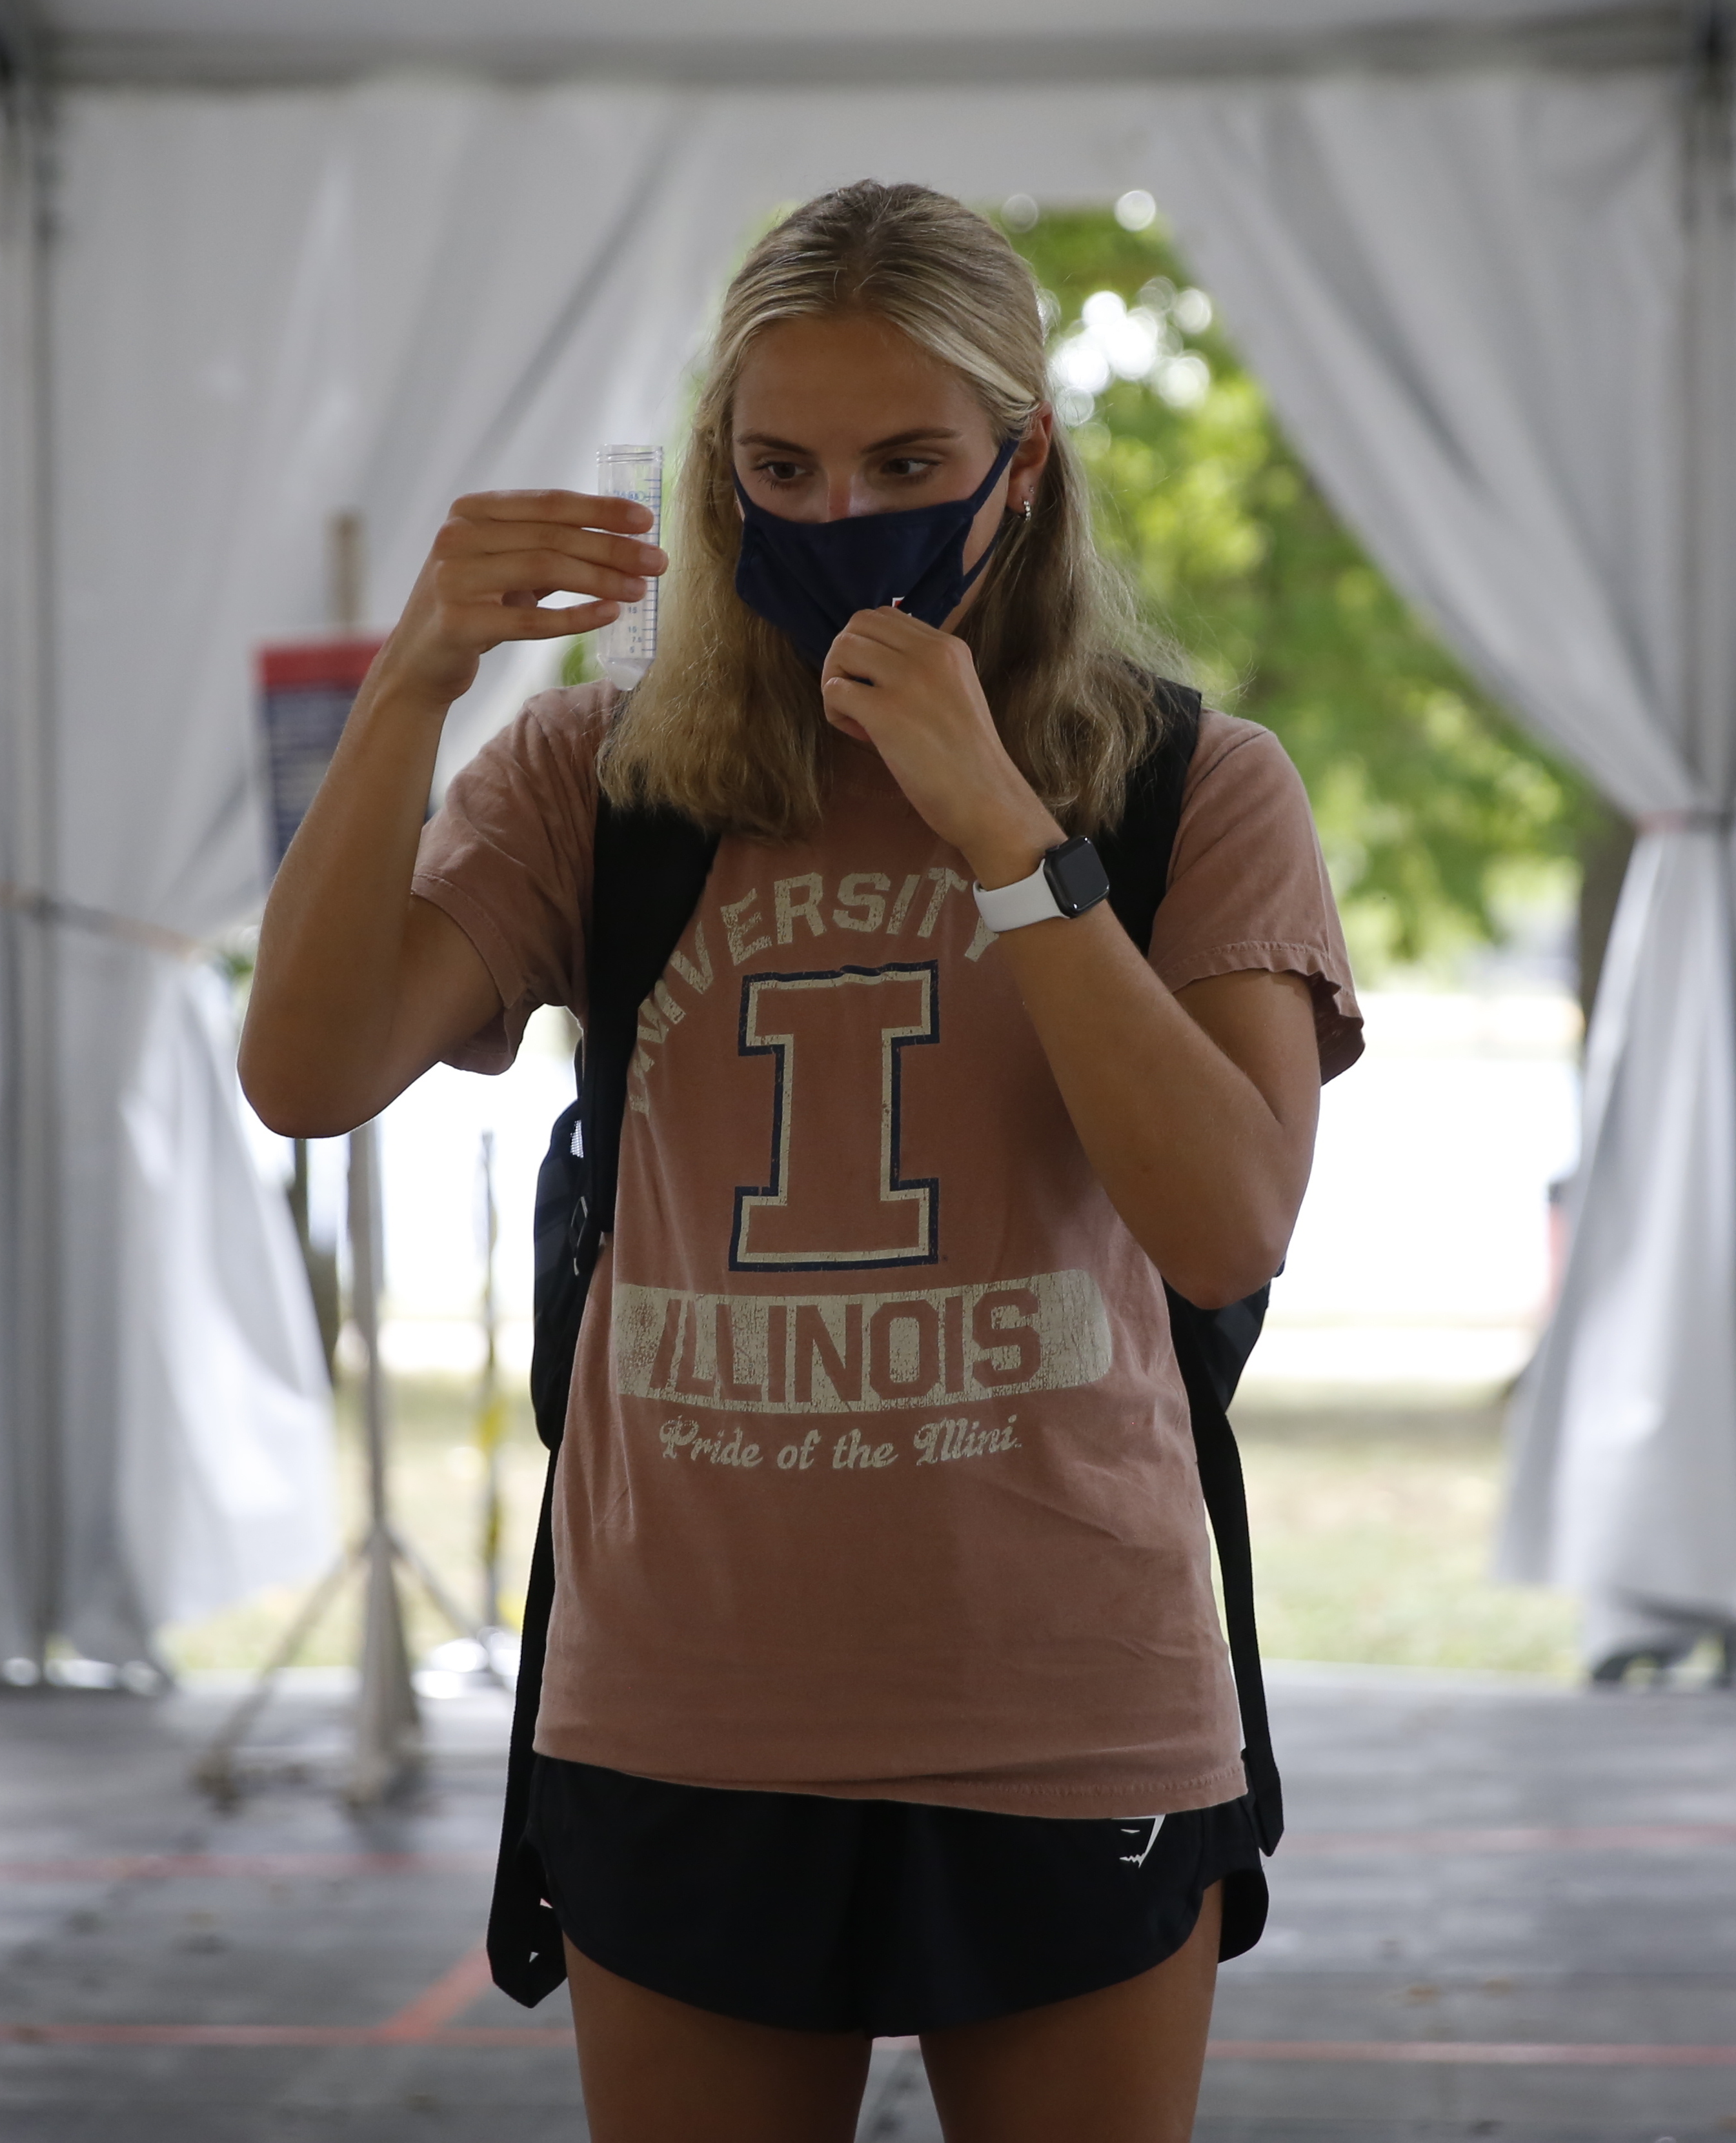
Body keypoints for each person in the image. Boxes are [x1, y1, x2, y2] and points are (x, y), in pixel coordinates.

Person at [240, 181, 1360, 2141]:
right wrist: (416, 674)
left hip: (1064, 1695)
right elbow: (306, 1069)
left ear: (1023, 465)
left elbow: (1223, 1220)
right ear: (714, 475)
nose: (842, 514)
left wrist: (1007, 833)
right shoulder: (600, 776)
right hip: (688, 1700)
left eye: (908, 459)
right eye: (782, 465)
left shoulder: (1196, 783)